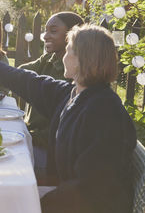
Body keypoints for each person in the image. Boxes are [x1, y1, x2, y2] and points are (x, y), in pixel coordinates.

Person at [0, 24, 137, 212]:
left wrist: (36, 204)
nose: (63, 57)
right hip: (68, 194)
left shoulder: (104, 112)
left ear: (84, 58)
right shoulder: (75, 93)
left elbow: (91, 188)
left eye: (68, 51)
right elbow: (27, 81)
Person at [18, 12, 84, 180]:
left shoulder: (75, 75)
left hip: (47, 152)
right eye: (45, 30)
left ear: (72, 35)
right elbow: (19, 73)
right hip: (31, 139)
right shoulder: (49, 58)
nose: (45, 36)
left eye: (53, 31)